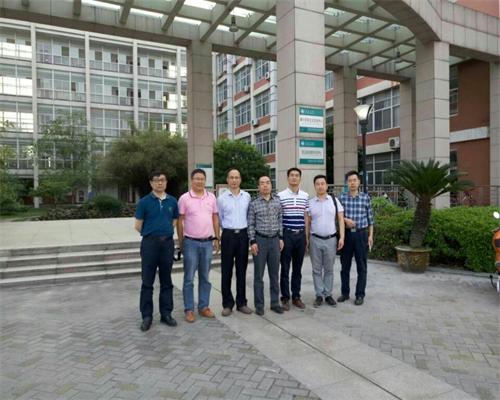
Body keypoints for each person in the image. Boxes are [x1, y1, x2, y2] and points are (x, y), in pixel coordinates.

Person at [134, 171, 179, 331]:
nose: (160, 183)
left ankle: (166, 313)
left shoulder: (172, 201)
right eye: (156, 180)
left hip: (167, 244)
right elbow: (138, 225)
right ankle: (147, 316)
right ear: (151, 183)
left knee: (166, 281)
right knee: (147, 281)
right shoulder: (144, 202)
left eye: (163, 180)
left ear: (166, 182)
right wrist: (152, 233)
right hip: (150, 244)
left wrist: (165, 231)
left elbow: (174, 219)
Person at [177, 169, 220, 322]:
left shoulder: (211, 197)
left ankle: (203, 307)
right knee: (189, 277)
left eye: (202, 179)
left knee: (205, 277)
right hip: (191, 243)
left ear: (205, 180)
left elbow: (215, 217)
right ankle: (189, 309)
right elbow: (180, 221)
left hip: (207, 242)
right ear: (191, 180)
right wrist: (181, 241)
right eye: (197, 178)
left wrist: (217, 237)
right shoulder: (184, 198)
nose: (199, 181)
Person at [217, 169, 252, 316]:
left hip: (243, 235)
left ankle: (241, 303)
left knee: (241, 270)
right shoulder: (221, 198)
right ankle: (227, 304)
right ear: (227, 180)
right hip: (228, 235)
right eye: (231, 177)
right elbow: (219, 218)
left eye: (237, 177)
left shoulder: (247, 196)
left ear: (240, 179)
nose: (234, 180)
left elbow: (249, 216)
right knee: (226, 270)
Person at [247, 176, 284, 316]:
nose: (265, 185)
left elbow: (280, 220)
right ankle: (259, 305)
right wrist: (252, 241)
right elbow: (250, 224)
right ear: (258, 187)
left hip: (275, 240)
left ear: (271, 185)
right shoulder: (254, 204)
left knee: (274, 275)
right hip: (260, 241)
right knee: (259, 275)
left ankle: (275, 303)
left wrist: (281, 237)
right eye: (262, 183)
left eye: (268, 183)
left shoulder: (277, 201)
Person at [307, 175, 345, 308]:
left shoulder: (334, 201)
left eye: (322, 183)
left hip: (331, 240)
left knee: (329, 269)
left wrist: (342, 237)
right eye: (317, 184)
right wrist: (307, 239)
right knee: (316, 270)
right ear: (314, 186)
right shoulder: (310, 203)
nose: (320, 186)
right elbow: (308, 222)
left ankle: (328, 294)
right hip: (315, 240)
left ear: (327, 185)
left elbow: (341, 219)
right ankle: (319, 295)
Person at [338, 170, 374, 306]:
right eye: (350, 181)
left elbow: (371, 219)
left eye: (354, 180)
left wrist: (370, 235)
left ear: (359, 182)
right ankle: (345, 293)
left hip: (361, 235)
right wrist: (345, 220)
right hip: (347, 235)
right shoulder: (342, 198)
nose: (352, 183)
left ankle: (360, 294)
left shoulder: (365, 198)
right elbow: (337, 216)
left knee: (362, 266)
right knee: (344, 266)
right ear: (347, 183)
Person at [277, 167, 309, 310]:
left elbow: (306, 217)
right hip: (287, 235)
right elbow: (279, 218)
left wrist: (306, 237)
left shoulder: (305, 196)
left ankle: (296, 296)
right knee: (285, 268)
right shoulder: (280, 196)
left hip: (300, 236)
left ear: (300, 178)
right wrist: (280, 237)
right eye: (292, 175)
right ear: (288, 178)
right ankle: (285, 298)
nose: (294, 177)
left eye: (297, 175)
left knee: (297, 268)